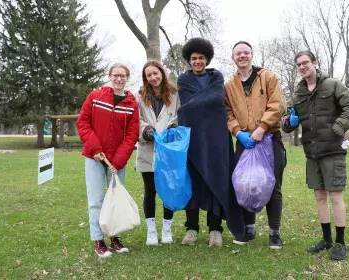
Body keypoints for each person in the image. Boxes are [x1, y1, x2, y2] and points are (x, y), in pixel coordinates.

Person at [283, 50, 349, 260]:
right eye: (298, 64)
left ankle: (340, 243)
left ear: (315, 63)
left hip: (333, 150)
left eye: (305, 62)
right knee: (319, 196)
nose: (302, 67)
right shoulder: (298, 94)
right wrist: (290, 122)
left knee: (335, 196)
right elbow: (286, 122)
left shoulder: (333, 85)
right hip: (312, 152)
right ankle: (326, 240)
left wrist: (337, 129)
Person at [177, 37, 245, 247]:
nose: (197, 61)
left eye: (201, 58)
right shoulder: (183, 80)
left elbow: (215, 100)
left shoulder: (217, 78)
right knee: (194, 180)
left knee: (216, 179)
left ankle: (215, 229)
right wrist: (199, 105)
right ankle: (191, 228)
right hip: (192, 138)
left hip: (216, 139)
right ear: (189, 61)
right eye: (194, 58)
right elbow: (186, 108)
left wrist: (195, 105)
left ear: (207, 60)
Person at [224, 41, 287, 248]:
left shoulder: (268, 77)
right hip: (245, 142)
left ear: (251, 55)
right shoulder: (229, 85)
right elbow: (227, 112)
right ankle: (248, 228)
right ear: (233, 57)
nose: (242, 56)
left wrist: (262, 128)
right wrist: (237, 132)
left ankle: (274, 232)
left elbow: (277, 105)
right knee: (246, 184)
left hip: (269, 139)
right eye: (238, 53)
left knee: (272, 185)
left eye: (246, 52)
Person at [77, 63, 140, 258]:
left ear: (127, 78)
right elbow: (83, 123)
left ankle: (114, 237)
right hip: (94, 157)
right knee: (95, 200)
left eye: (123, 76)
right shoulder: (95, 97)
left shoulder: (131, 104)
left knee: (115, 200)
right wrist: (95, 149)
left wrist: (118, 160)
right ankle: (98, 239)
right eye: (116, 75)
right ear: (110, 76)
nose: (119, 79)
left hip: (116, 162)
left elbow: (132, 135)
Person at [135, 60, 180, 246]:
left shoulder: (176, 94)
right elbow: (135, 120)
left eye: (156, 73)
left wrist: (172, 129)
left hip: (168, 150)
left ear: (162, 73)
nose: (153, 77)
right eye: (149, 75)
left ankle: (167, 228)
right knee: (150, 191)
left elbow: (179, 116)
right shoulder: (139, 97)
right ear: (145, 78)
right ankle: (151, 231)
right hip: (148, 150)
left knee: (168, 189)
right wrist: (147, 131)